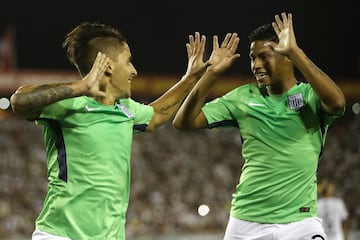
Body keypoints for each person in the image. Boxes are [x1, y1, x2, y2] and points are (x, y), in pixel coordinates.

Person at [9, 22, 229, 240]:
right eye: (128, 61)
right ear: (109, 66)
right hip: (60, 236)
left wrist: (190, 78)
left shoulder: (126, 109)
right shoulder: (68, 104)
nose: (134, 70)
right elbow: (19, 101)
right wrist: (82, 86)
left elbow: (157, 115)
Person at [173, 12, 346, 240]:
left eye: (264, 57)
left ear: (286, 57)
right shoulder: (244, 97)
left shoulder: (310, 96)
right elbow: (183, 122)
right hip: (246, 223)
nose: (256, 65)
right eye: (252, 58)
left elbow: (338, 103)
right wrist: (211, 74)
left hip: (301, 223)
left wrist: (296, 52)